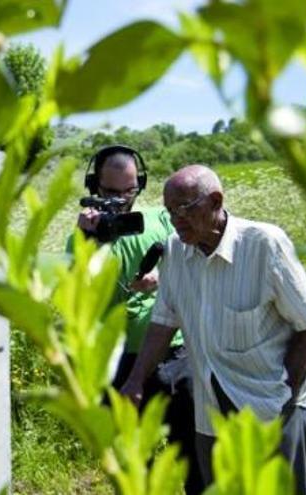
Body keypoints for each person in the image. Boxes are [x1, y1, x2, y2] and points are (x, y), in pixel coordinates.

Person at [121, 165, 306, 495]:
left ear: (215, 201)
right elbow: (163, 321)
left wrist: (284, 393)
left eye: (184, 208)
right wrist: (135, 380)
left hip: (271, 398)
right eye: (170, 211)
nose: (176, 219)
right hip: (211, 399)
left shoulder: (263, 244)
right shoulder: (174, 251)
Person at [70, 145, 202, 494]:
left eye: (127, 191)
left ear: (139, 184)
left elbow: (198, 264)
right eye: (109, 192)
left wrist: (164, 277)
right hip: (118, 361)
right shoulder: (82, 237)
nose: (118, 201)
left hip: (174, 354)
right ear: (93, 186)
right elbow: (79, 293)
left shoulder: (161, 219)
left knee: (193, 453)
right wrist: (90, 242)